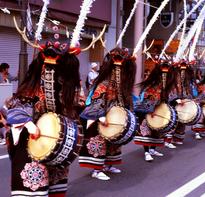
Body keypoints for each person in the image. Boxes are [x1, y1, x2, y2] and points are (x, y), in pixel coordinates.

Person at [6, 41, 84, 197]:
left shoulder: (68, 85)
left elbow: (78, 105)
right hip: (31, 138)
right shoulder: (33, 83)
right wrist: (29, 125)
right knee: (34, 180)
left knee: (56, 176)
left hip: (56, 134)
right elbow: (14, 106)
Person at [79, 47, 136, 180]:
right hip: (100, 117)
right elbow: (96, 100)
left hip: (114, 117)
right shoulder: (103, 83)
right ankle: (96, 169)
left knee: (113, 142)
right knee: (99, 141)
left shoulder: (122, 83)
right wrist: (101, 116)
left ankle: (108, 165)